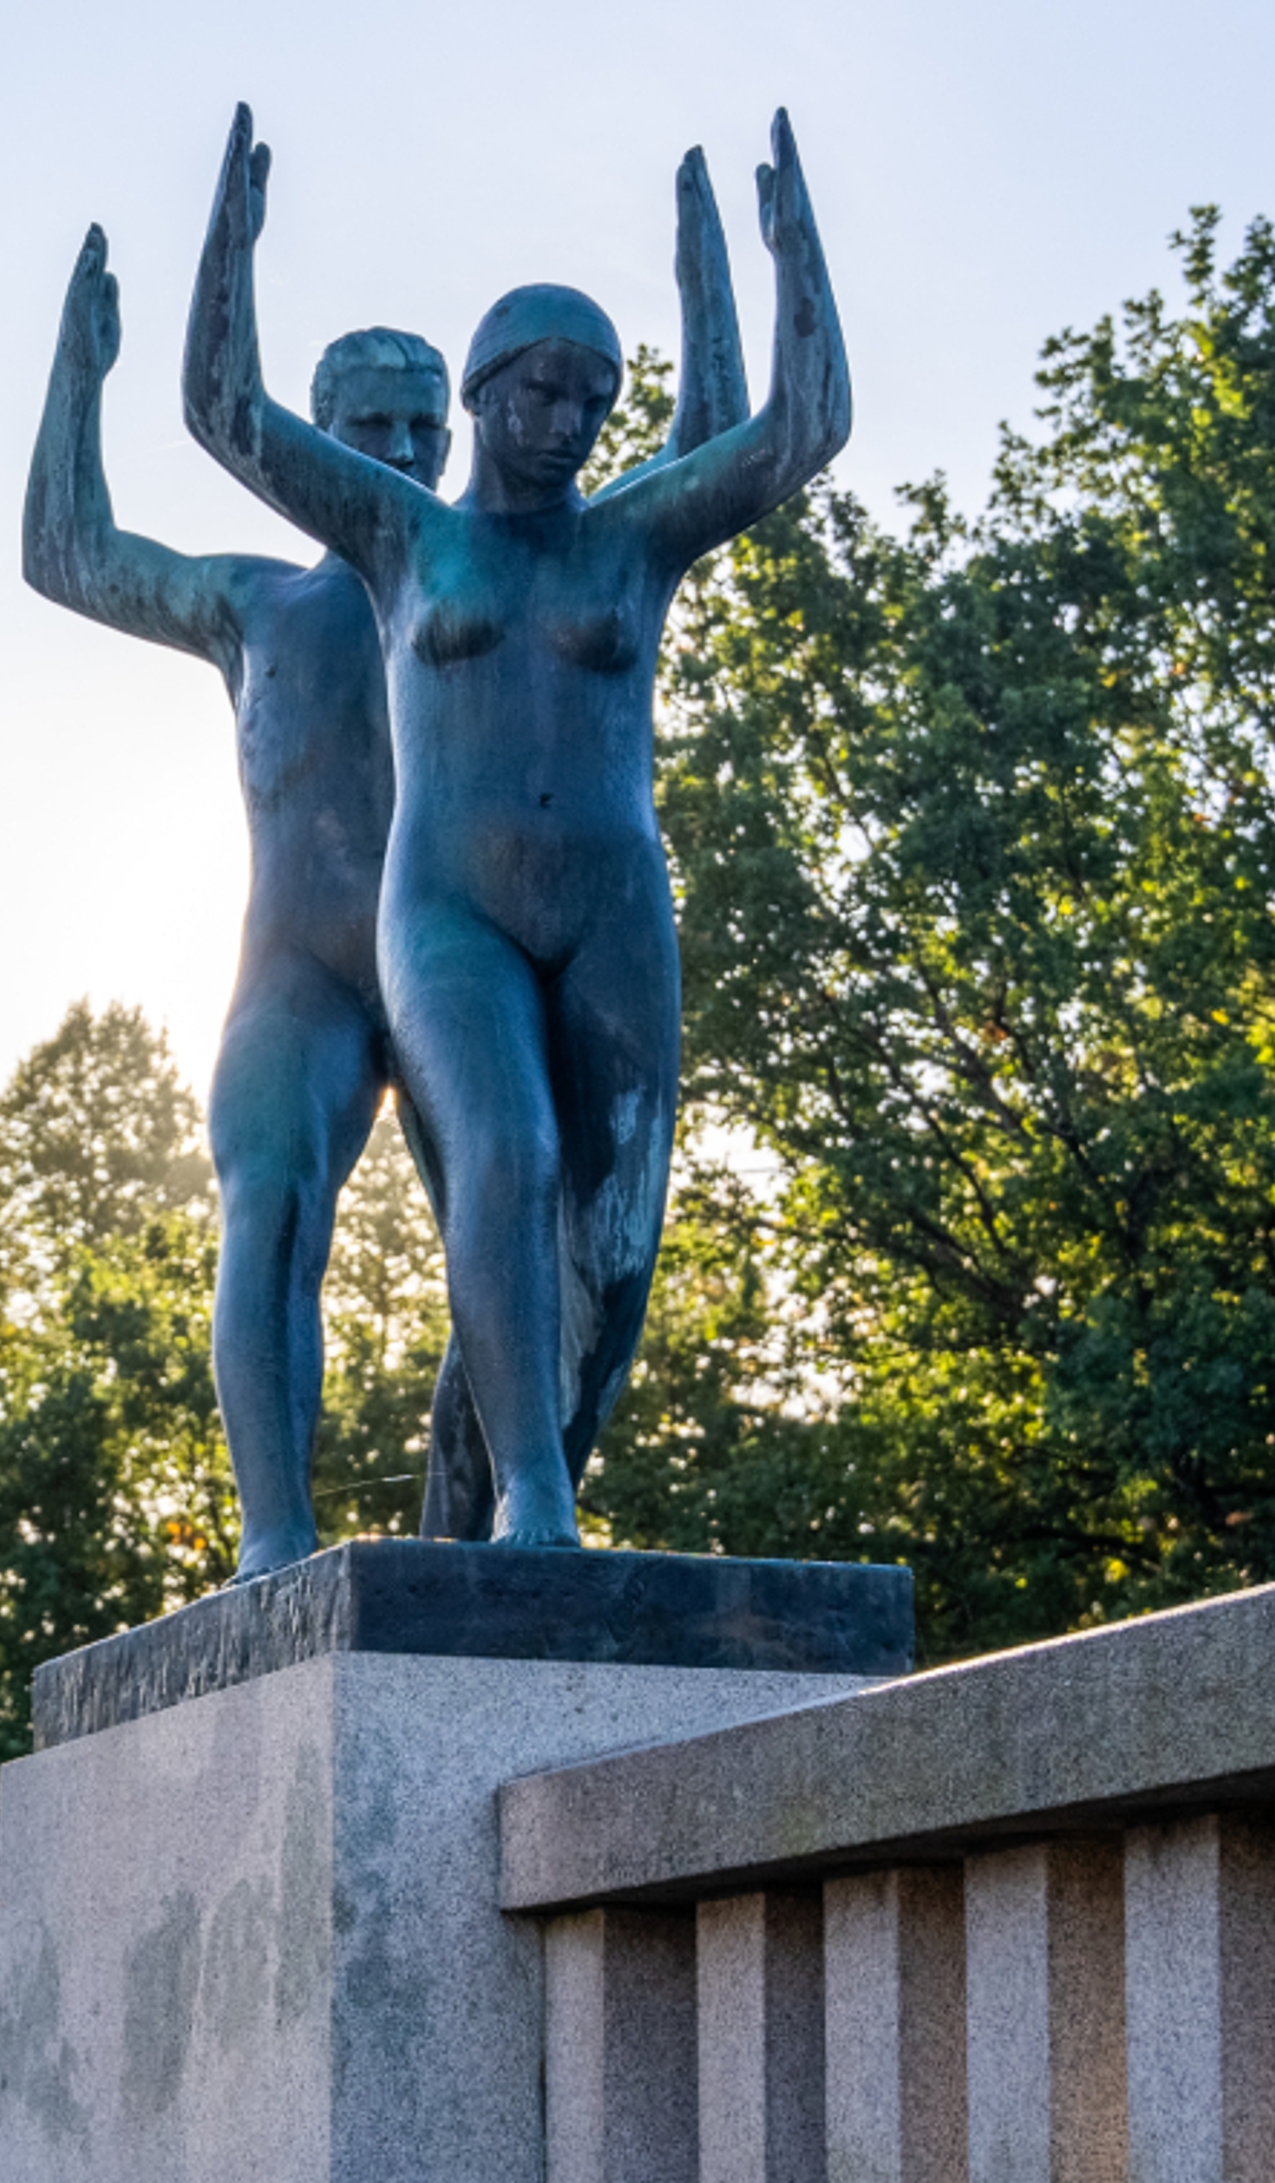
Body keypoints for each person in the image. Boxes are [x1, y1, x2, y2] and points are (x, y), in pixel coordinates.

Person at [23, 160, 744, 1573]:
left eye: (423, 422)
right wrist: (81, 373)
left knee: (561, 1228)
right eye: (370, 425)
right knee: (275, 1196)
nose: (401, 449)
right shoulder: (259, 603)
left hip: (476, 953)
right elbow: (69, 552)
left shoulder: (503, 565)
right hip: (304, 969)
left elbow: (703, 458)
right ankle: (276, 1546)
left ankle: (485, 1518)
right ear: (323, 434)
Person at [183, 105, 851, 1546]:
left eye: (594, 402)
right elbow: (225, 407)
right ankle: (535, 1508)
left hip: (611, 907)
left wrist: (789, 261)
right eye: (542, 394)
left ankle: (478, 1506)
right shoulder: (407, 538)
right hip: (450, 911)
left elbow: (796, 430)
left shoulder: (632, 538)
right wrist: (228, 244)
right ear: (484, 394)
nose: (568, 426)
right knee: (509, 1152)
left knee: (612, 1256)